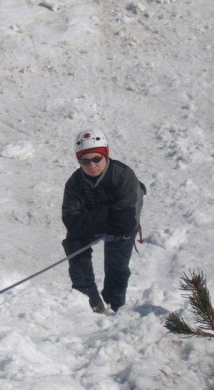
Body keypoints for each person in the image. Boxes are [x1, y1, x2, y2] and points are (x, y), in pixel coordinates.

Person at [61, 128, 145, 313]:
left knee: (117, 264)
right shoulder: (74, 183)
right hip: (96, 222)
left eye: (97, 158)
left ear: (105, 155)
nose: (92, 164)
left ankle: (115, 305)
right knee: (74, 244)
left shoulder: (124, 175)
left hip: (122, 226)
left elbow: (125, 221)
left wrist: (95, 216)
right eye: (85, 160)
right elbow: (72, 222)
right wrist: (106, 211)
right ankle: (88, 300)